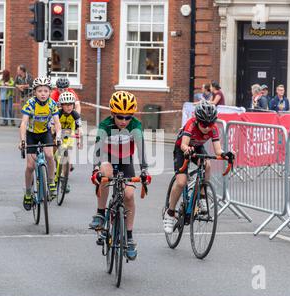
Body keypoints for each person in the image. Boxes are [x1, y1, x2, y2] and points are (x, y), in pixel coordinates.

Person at [89, 91, 152, 261]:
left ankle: (129, 237)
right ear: (112, 114)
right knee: (105, 173)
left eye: (128, 117)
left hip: (126, 161)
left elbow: (141, 149)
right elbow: (97, 148)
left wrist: (144, 170)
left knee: (129, 195)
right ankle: (101, 214)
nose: (124, 121)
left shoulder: (136, 126)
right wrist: (96, 168)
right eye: (120, 117)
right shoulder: (105, 125)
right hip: (107, 159)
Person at [163, 100, 233, 233]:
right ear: (197, 120)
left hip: (197, 148)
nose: (207, 127)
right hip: (182, 149)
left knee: (207, 164)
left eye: (210, 124)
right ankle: (170, 213)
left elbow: (218, 151)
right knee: (181, 182)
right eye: (204, 124)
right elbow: (184, 145)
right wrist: (187, 150)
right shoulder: (191, 124)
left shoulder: (213, 129)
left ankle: (201, 197)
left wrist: (226, 154)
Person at [19, 77, 62, 210]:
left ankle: (50, 182)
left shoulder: (52, 104)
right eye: (39, 91)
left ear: (50, 92)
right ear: (35, 92)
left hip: (45, 133)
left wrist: (58, 137)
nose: (43, 93)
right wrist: (22, 140)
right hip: (31, 134)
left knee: (49, 155)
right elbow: (24, 124)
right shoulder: (30, 104)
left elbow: (57, 123)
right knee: (30, 166)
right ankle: (27, 192)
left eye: (45, 91)